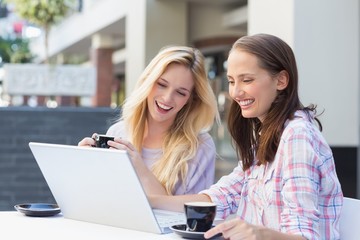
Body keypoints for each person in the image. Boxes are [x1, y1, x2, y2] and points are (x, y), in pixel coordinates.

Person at [140, 34, 343, 240]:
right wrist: (148, 201)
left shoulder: (297, 136)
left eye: (247, 80)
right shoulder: (265, 138)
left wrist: (258, 233)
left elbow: (304, 236)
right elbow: (221, 198)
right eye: (231, 81)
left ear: (281, 80)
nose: (236, 92)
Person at [78, 45, 220, 195]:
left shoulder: (200, 147)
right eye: (162, 84)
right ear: (148, 81)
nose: (167, 98)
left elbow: (192, 213)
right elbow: (103, 196)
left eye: (180, 92)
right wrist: (88, 166)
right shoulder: (118, 132)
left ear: (190, 100)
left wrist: (139, 168)